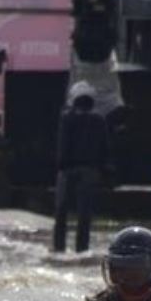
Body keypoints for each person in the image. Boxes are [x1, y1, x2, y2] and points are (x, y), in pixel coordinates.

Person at [53, 81, 109, 253]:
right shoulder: (99, 120)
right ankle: (82, 248)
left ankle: (59, 247)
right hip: (90, 171)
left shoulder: (67, 118)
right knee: (84, 214)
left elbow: (62, 144)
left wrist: (60, 166)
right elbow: (104, 147)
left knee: (61, 211)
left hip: (67, 170)